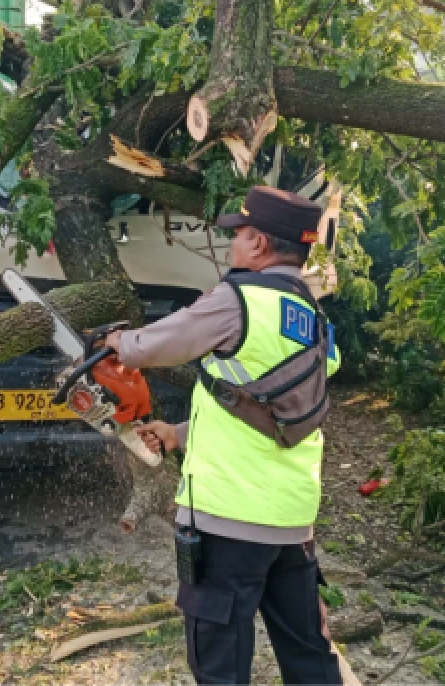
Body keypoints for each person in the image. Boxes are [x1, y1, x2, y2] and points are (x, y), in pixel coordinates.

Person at [106, 185, 342, 685]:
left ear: (260, 243)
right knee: (309, 657)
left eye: (239, 233)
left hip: (229, 522)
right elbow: (275, 408)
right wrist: (179, 433)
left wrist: (115, 341)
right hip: (292, 523)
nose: (232, 243)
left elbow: (151, 346)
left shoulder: (239, 300)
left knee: (221, 667)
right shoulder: (314, 320)